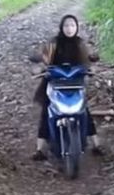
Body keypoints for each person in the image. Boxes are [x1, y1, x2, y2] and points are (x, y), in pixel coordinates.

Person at [32, 14, 104, 160]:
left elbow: (89, 59)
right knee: (47, 112)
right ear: (61, 27)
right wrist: (40, 68)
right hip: (55, 83)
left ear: (76, 27)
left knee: (84, 110)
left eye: (72, 25)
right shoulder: (54, 43)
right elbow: (44, 59)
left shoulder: (80, 44)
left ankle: (96, 144)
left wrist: (92, 68)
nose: (69, 28)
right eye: (66, 25)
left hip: (75, 84)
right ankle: (39, 148)